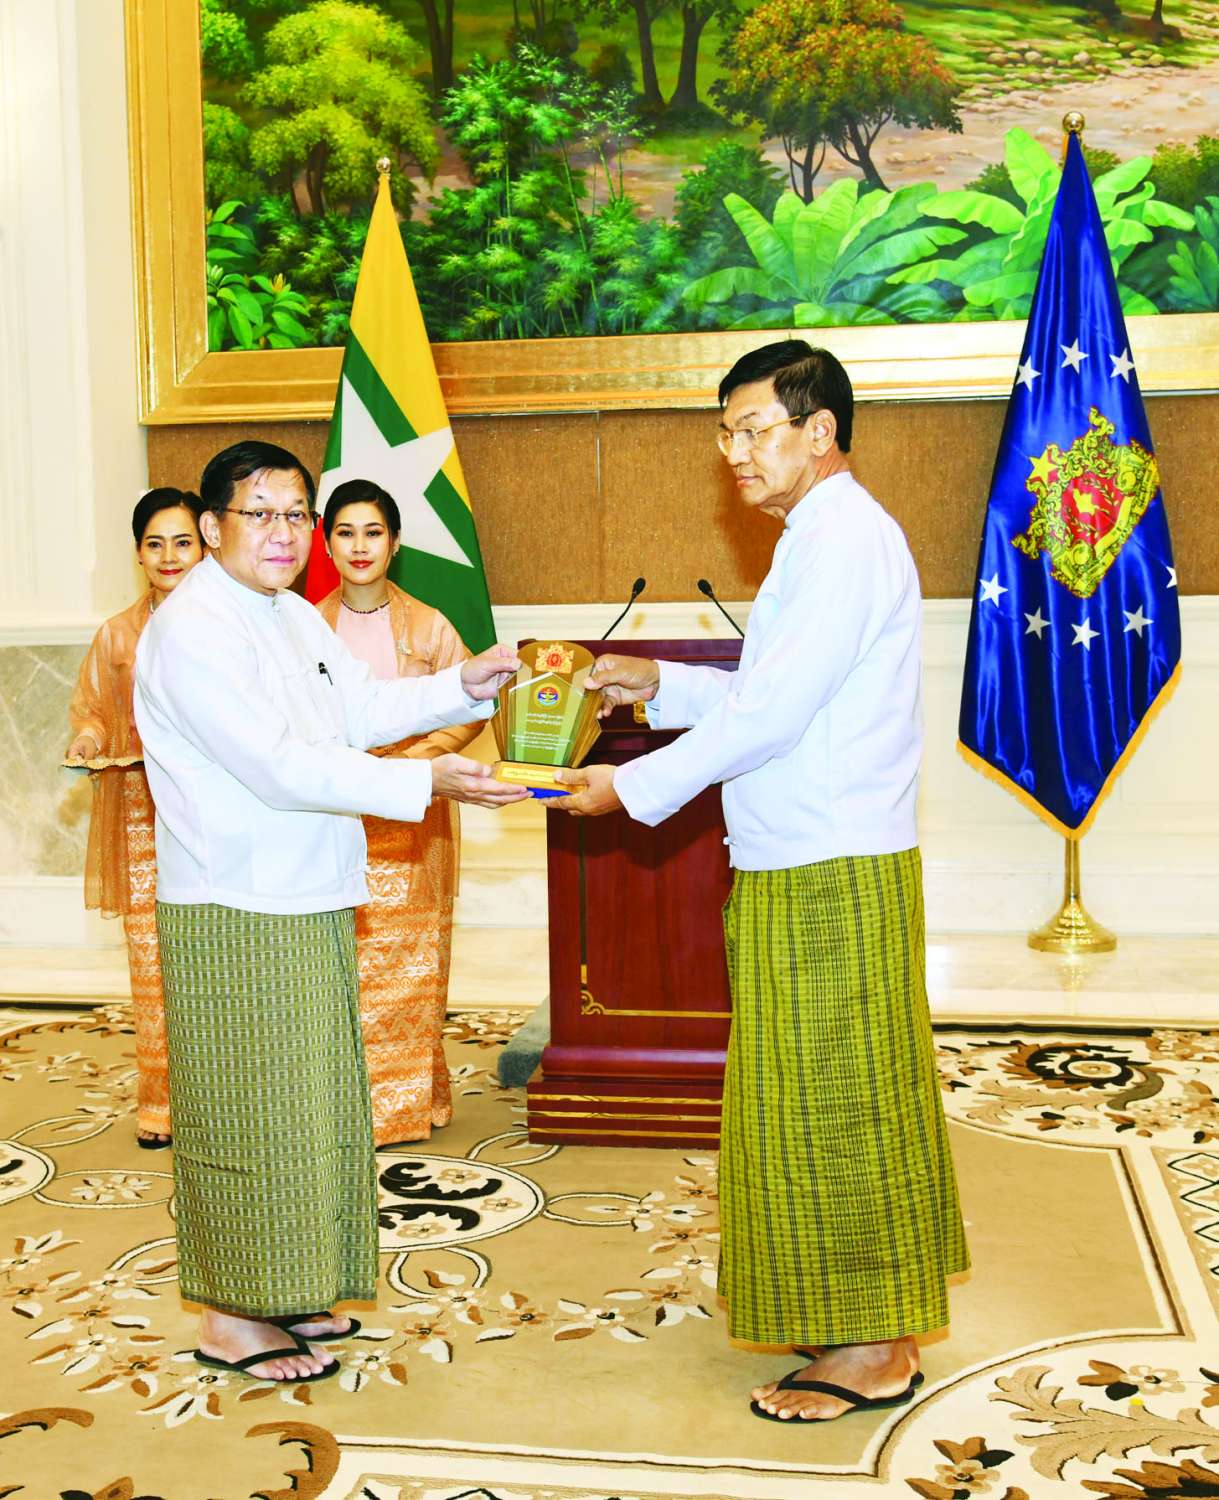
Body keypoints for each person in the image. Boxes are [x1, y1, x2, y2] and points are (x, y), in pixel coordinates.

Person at [553, 341, 968, 1423]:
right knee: (805, 1095)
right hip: (801, 856)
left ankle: (875, 1347)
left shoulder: (845, 541)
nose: (732, 452)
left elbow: (773, 716)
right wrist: (658, 680)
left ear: (817, 431)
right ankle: (850, 1313)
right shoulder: (817, 537)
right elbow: (775, 695)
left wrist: (625, 787)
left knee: (840, 1099)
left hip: (830, 862)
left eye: (751, 429)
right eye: (724, 433)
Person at [133, 440, 527, 1385]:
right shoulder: (192, 629)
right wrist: (425, 782)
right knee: (244, 1112)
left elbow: (356, 709)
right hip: (235, 900)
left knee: (308, 1105)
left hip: (307, 888)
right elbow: (276, 765)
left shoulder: (286, 614)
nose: (283, 533)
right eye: (259, 513)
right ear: (213, 526)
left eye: (295, 514)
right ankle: (230, 1315)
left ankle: (287, 1285)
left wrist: (463, 684)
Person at [316, 479, 481, 1145]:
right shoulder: (305, 628)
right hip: (334, 817)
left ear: (396, 543)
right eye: (345, 532)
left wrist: (416, 762)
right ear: (327, 544)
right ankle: (342, 1104)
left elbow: (471, 707)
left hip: (414, 818)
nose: (360, 546)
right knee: (340, 966)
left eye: (373, 532)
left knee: (410, 964)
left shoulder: (430, 625)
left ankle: (405, 1105)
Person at [66, 488, 206, 1149]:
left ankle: (227, 1101)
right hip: (143, 819)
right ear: (138, 554)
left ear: (206, 546)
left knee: (216, 957)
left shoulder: (234, 622)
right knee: (154, 965)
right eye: (155, 543)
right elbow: (92, 709)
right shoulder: (119, 633)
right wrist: (89, 740)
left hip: (215, 817)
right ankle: (163, 1107)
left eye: (183, 542)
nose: (169, 556)